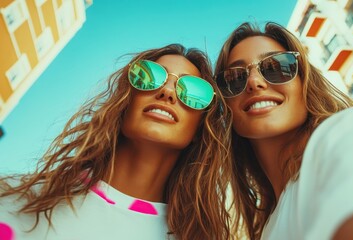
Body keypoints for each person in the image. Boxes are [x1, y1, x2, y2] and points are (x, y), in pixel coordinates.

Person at [214, 22, 353, 240]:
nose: (254, 82)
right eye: (235, 77)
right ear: (225, 104)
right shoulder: (269, 227)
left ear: (305, 83)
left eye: (276, 67)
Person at [0, 44, 233, 240]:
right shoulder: (15, 199)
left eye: (194, 92)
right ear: (124, 102)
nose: (168, 92)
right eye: (149, 76)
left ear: (199, 129)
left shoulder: (194, 235)